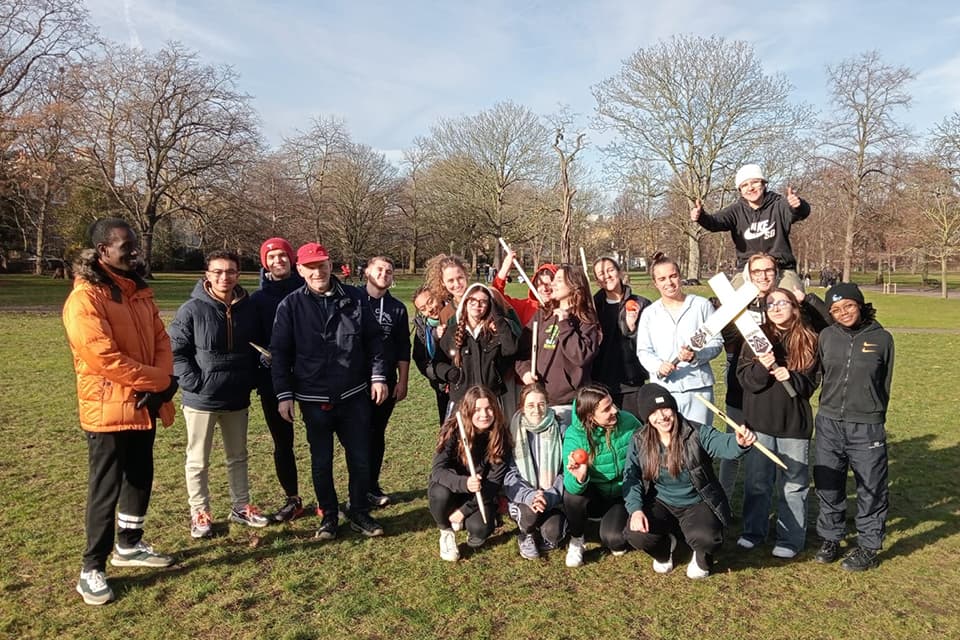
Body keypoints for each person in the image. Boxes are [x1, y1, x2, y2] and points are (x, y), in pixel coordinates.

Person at [63, 217, 177, 605]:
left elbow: (162, 338)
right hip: (108, 407)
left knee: (140, 476)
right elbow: (102, 357)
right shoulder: (85, 298)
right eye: (125, 246)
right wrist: (156, 382)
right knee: (105, 487)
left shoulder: (138, 291)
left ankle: (129, 545)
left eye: (134, 245)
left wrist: (162, 380)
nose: (134, 251)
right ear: (102, 252)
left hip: (144, 403)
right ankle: (91, 568)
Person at [270, 242, 388, 540]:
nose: (317, 272)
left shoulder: (356, 298)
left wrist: (378, 377)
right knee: (321, 462)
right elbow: (280, 354)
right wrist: (284, 395)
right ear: (300, 270)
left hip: (354, 396)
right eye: (310, 267)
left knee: (360, 458)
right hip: (313, 398)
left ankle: (359, 510)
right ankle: (329, 516)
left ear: (330, 265)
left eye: (321, 265)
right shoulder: (291, 305)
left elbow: (375, 342)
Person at [169, 250, 269, 538]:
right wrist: (192, 382)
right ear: (207, 275)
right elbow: (176, 351)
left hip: (237, 396)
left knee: (238, 456)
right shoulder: (191, 309)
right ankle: (199, 512)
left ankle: (240, 506)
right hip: (201, 398)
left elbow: (258, 346)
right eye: (218, 272)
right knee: (198, 459)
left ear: (239, 274)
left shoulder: (248, 308)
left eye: (230, 272)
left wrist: (256, 370)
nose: (224, 277)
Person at [623, 384, 756, 579]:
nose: (662, 417)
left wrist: (739, 443)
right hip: (661, 501)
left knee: (708, 539)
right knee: (636, 534)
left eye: (665, 409)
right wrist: (635, 510)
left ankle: (702, 556)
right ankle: (665, 548)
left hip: (697, 501)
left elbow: (722, 443)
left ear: (674, 408)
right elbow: (631, 476)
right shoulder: (639, 439)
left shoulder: (696, 432)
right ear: (647, 418)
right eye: (653, 413)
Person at [813, 283, 894, 571]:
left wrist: (872, 413)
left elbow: (884, 383)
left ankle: (869, 546)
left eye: (848, 305)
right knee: (828, 483)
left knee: (871, 487)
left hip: (866, 426)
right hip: (829, 422)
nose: (843, 312)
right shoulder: (825, 337)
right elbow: (820, 375)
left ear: (860, 305)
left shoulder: (882, 339)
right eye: (835, 309)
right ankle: (830, 537)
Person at [736, 288, 820, 559]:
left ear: (795, 307)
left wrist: (792, 377)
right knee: (757, 481)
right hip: (759, 422)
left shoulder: (808, 338)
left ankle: (791, 538)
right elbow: (745, 379)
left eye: (782, 302)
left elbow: (811, 383)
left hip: (793, 424)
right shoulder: (756, 337)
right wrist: (763, 366)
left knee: (793, 485)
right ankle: (753, 532)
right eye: (770, 304)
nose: (775, 307)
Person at [249, 237, 306, 522]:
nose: (278, 261)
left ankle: (330, 498)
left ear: (291, 259)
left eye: (282, 256)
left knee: (324, 440)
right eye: (272, 257)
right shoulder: (257, 300)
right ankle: (292, 498)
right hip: (273, 380)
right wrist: (262, 356)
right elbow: (251, 338)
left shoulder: (307, 289)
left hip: (311, 377)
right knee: (282, 442)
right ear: (265, 262)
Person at [690, 164, 811, 291]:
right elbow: (714, 222)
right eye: (745, 185)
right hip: (747, 270)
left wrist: (798, 205)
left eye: (755, 182)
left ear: (764, 184)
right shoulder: (735, 211)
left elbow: (801, 212)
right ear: (740, 190)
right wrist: (701, 216)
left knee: (793, 300)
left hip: (781, 268)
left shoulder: (779, 205)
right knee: (731, 304)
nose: (750, 188)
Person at [635, 254, 723, 426]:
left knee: (699, 442)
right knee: (670, 444)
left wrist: (696, 356)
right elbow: (643, 350)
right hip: (665, 389)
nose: (669, 282)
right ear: (655, 283)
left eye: (673, 276)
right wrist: (658, 366)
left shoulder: (701, 305)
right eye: (662, 278)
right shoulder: (650, 313)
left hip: (698, 388)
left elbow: (716, 343)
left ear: (680, 276)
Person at [428, 386, 512, 561]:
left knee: (480, 531)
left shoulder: (501, 436)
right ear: (468, 411)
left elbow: (493, 483)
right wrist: (464, 483)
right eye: (477, 409)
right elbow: (437, 470)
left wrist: (463, 511)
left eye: (489, 408)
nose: (484, 414)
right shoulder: (453, 430)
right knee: (439, 493)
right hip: (451, 488)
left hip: (479, 493)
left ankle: (464, 519)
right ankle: (446, 531)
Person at [561, 385, 640, 567]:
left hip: (622, 492)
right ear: (590, 416)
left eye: (612, 404)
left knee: (615, 540)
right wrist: (580, 477)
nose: (615, 410)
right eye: (607, 409)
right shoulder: (575, 435)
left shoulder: (628, 421)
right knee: (572, 496)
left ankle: (610, 526)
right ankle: (577, 539)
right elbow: (571, 487)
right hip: (594, 493)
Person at [516, 264, 600, 426]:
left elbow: (581, 356)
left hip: (571, 404)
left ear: (574, 285)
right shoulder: (543, 314)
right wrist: (525, 372)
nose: (552, 284)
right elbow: (522, 352)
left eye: (558, 280)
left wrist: (564, 323)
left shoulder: (585, 319)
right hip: (541, 401)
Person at [363, 256, 411, 508]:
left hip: (387, 384)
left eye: (389, 271)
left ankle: (372, 484)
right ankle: (357, 487)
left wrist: (403, 381)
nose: (384, 274)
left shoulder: (397, 308)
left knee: (376, 433)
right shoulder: (353, 301)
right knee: (357, 435)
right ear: (367, 272)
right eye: (379, 269)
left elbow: (404, 346)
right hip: (356, 381)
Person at [434, 283, 520, 413]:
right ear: (465, 302)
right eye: (472, 300)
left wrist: (497, 317)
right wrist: (452, 374)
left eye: (483, 301)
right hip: (461, 401)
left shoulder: (495, 334)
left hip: (490, 400)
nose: (477, 305)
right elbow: (437, 362)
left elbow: (511, 349)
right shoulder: (451, 332)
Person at [504, 383, 567, 559]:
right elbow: (509, 473)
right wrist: (530, 495)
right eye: (530, 405)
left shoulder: (561, 429)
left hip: (552, 497)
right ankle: (527, 534)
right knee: (530, 515)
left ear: (548, 404)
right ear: (522, 408)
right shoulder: (512, 431)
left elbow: (564, 471)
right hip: (525, 498)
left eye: (541, 404)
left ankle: (546, 532)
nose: (537, 410)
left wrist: (549, 495)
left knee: (554, 534)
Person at [592, 256, 652, 418]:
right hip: (601, 382)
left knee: (634, 431)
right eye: (601, 273)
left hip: (631, 383)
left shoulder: (642, 304)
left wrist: (632, 328)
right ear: (597, 280)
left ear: (620, 272)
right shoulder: (592, 307)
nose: (607, 275)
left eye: (610, 270)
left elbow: (650, 343)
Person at [412, 285, 450, 425]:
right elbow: (420, 359)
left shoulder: (457, 313)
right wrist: (439, 375)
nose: (429, 309)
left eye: (430, 302)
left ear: (438, 296)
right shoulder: (423, 329)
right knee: (447, 427)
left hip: (467, 382)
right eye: (423, 308)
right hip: (442, 386)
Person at [493, 248, 557, 326]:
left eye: (548, 284)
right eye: (540, 284)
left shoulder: (566, 309)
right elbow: (496, 295)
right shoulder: (526, 306)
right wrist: (505, 267)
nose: (544, 289)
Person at [425, 253, 470, 326]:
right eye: (451, 280)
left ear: (465, 275)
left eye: (460, 278)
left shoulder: (485, 298)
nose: (457, 284)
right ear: (442, 282)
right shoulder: (446, 314)